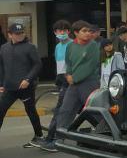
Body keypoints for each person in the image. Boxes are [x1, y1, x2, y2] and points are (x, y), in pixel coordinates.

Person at [0, 23, 44, 148]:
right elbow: (1, 66)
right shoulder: (4, 48)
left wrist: (28, 79)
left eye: (21, 33)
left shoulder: (30, 47)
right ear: (9, 34)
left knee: (30, 110)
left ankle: (39, 136)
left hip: (25, 87)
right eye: (17, 33)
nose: (20, 35)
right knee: (0, 111)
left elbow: (37, 65)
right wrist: (1, 83)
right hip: (9, 87)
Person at [56, 21, 100, 136]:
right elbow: (68, 63)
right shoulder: (70, 46)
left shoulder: (93, 45)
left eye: (89, 31)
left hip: (89, 83)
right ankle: (60, 135)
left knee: (95, 111)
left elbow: (90, 66)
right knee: (66, 109)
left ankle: (108, 133)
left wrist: (74, 78)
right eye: (84, 31)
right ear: (76, 33)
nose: (88, 34)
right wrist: (68, 75)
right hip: (73, 84)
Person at [41, 20, 72, 151]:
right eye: (59, 31)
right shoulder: (58, 46)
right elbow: (59, 65)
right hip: (62, 80)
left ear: (69, 32)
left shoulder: (72, 44)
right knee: (78, 109)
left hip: (70, 81)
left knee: (61, 110)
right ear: (55, 32)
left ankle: (54, 138)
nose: (62, 33)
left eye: (65, 30)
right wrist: (58, 79)